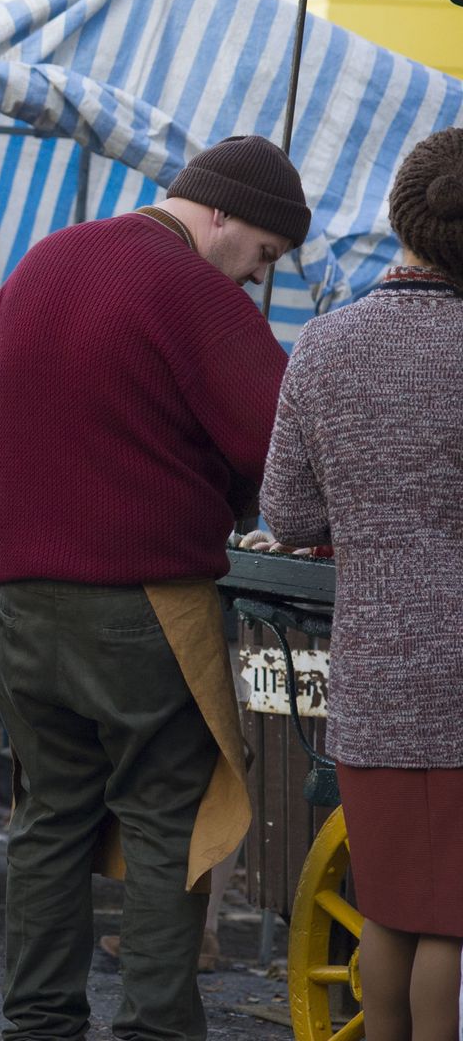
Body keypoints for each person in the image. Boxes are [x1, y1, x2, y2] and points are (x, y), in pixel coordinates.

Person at [0, 134, 311, 1041]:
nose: (258, 276)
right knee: (168, 822)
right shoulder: (194, 294)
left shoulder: (45, 261)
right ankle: (157, 1029)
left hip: (22, 605)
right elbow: (284, 453)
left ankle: (38, 1023)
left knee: (49, 819)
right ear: (220, 213)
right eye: (265, 254)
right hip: (146, 606)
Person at [260, 128, 463, 1041]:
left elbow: (290, 515)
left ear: (402, 216)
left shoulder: (325, 345)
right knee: (456, 917)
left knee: (388, 905)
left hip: (377, 671)